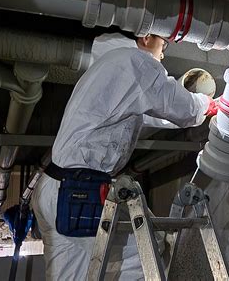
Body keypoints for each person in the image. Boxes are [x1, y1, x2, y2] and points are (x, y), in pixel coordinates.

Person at [31, 32, 218, 280]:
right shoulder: (134, 62)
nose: (163, 53)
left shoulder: (113, 67)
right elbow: (174, 103)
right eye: (163, 44)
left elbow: (154, 112)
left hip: (59, 188)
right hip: (77, 192)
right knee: (143, 258)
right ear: (145, 36)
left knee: (69, 275)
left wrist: (198, 110)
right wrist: (206, 105)